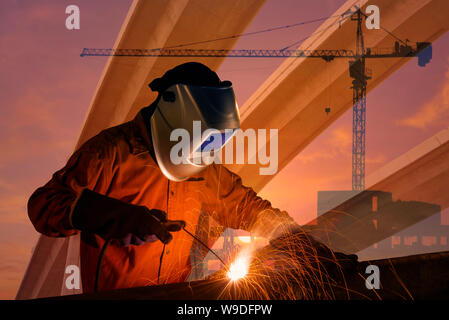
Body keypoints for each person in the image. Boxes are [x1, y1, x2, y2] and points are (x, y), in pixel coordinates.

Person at [28, 62, 357, 293]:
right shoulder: (110, 152)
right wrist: (113, 216)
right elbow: (44, 206)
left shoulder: (204, 170)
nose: (201, 156)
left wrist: (305, 248)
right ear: (172, 112)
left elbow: (253, 211)